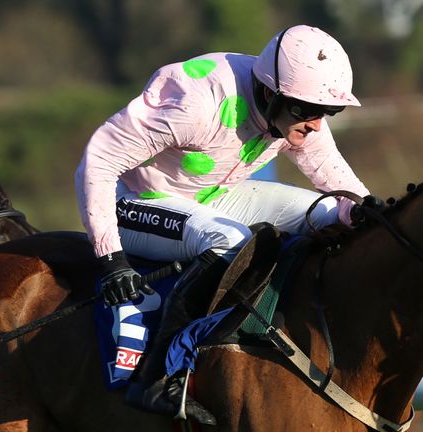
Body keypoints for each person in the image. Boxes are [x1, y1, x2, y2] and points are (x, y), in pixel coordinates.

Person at [75, 24, 373, 424]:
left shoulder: (292, 105)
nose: (317, 124)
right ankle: (158, 374)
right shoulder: (197, 105)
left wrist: (370, 212)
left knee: (324, 213)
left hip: (209, 195)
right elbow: (97, 161)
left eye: (328, 112)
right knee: (229, 237)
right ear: (269, 93)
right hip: (131, 202)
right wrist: (110, 258)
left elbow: (337, 182)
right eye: (307, 111)